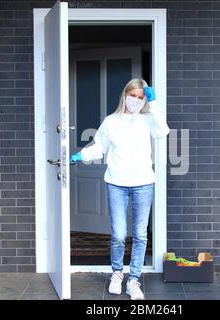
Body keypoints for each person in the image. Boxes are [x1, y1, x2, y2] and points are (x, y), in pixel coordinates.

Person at [69, 78, 170, 300]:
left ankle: (133, 280)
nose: (135, 100)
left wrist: (154, 104)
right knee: (118, 234)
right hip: (116, 183)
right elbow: (99, 146)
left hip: (143, 182)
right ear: (124, 95)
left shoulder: (147, 120)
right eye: (132, 95)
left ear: (144, 100)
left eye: (140, 97)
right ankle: (117, 274)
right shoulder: (111, 121)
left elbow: (163, 131)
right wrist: (81, 155)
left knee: (141, 235)